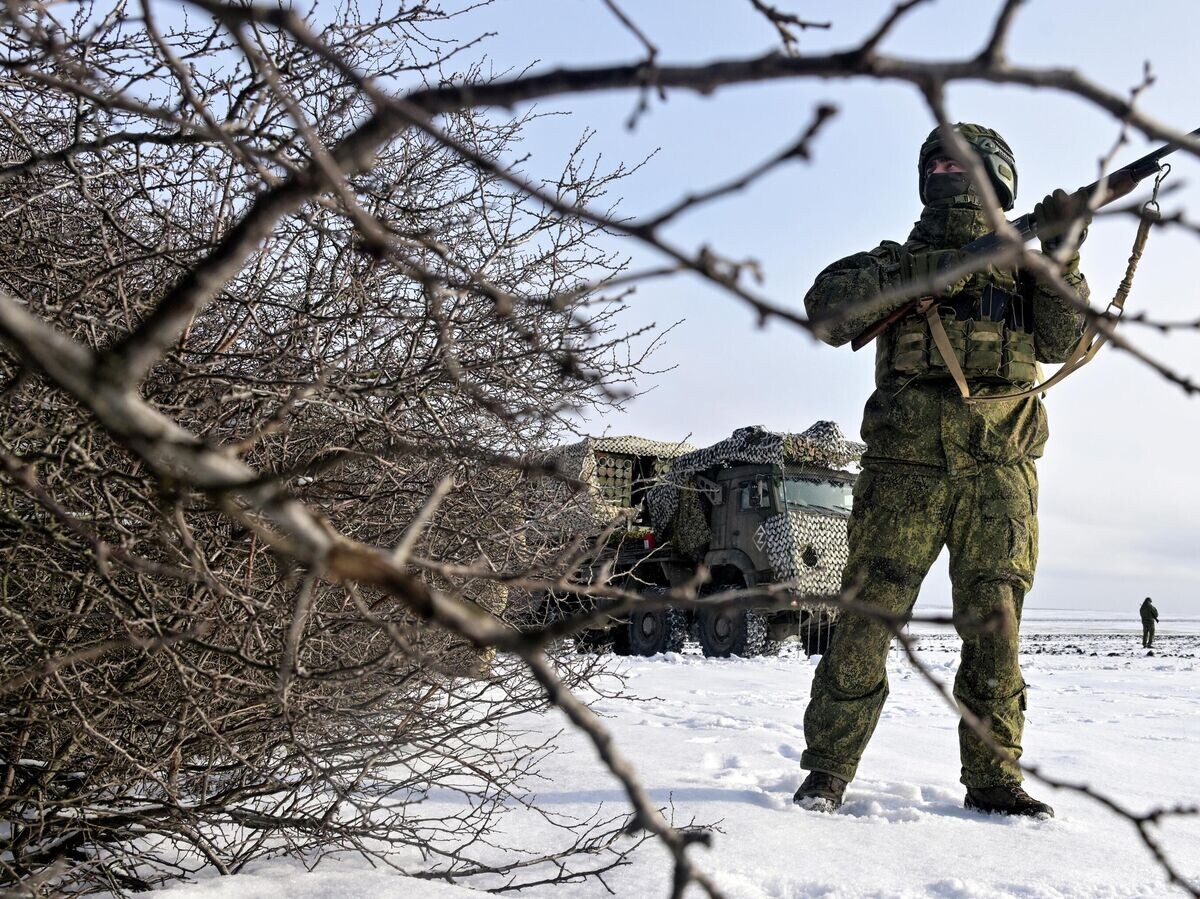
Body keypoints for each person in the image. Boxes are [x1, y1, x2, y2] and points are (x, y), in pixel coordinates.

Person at [794, 123, 1091, 819]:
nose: (947, 172)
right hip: (910, 465)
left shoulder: (1026, 268)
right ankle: (831, 769)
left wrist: (1062, 256)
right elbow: (824, 309)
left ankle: (988, 777)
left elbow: (1063, 339)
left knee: (993, 627)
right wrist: (920, 273)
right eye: (941, 162)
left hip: (997, 467)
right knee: (873, 618)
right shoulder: (893, 262)